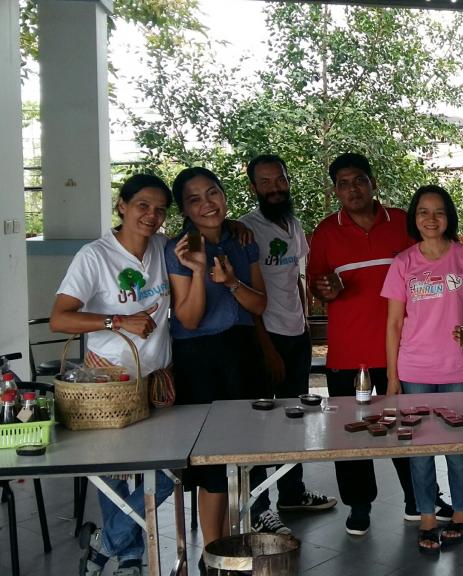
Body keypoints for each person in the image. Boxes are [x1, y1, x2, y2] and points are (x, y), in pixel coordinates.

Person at [307, 153, 446, 536]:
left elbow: (431, 267)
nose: (352, 189)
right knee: (349, 433)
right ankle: (358, 505)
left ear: (373, 183)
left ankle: (419, 500)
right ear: (335, 191)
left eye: (359, 180)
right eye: (343, 184)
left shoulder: (402, 222)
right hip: (347, 353)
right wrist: (326, 289)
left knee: (409, 428)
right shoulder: (325, 232)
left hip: (402, 351)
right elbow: (316, 285)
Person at [50, 173, 176, 576]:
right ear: (122, 205)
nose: (151, 215)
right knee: (115, 475)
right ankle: (130, 556)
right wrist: (117, 320)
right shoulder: (95, 255)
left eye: (160, 209)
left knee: (167, 474)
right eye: (142, 205)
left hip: (157, 378)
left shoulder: (162, 248)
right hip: (110, 382)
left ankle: (106, 542)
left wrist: (240, 229)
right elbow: (60, 318)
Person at [165, 167, 267, 556]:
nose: (207, 204)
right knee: (211, 465)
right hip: (200, 359)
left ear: (224, 195)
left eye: (212, 193)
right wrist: (197, 272)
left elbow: (259, 305)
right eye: (194, 199)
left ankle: (233, 545)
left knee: (241, 455)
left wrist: (231, 283)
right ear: (184, 210)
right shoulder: (178, 250)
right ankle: (213, 555)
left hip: (242, 353)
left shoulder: (241, 240)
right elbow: (189, 320)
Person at [381, 185, 463, 554]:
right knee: (420, 448)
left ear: (448, 217)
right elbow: (394, 323)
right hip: (414, 369)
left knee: (457, 446)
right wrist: (392, 377)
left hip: (458, 368)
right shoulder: (403, 263)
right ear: (414, 217)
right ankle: (426, 516)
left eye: (439, 211)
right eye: (423, 211)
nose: (431, 218)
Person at [241, 154, 336, 536]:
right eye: (265, 182)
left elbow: (295, 277)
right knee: (261, 424)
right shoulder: (246, 230)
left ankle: (292, 493)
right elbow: (247, 296)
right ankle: (259, 507)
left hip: (296, 335)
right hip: (265, 337)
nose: (274, 188)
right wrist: (265, 347)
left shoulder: (293, 225)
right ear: (253, 187)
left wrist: (305, 327)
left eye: (279, 179)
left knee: (294, 418)